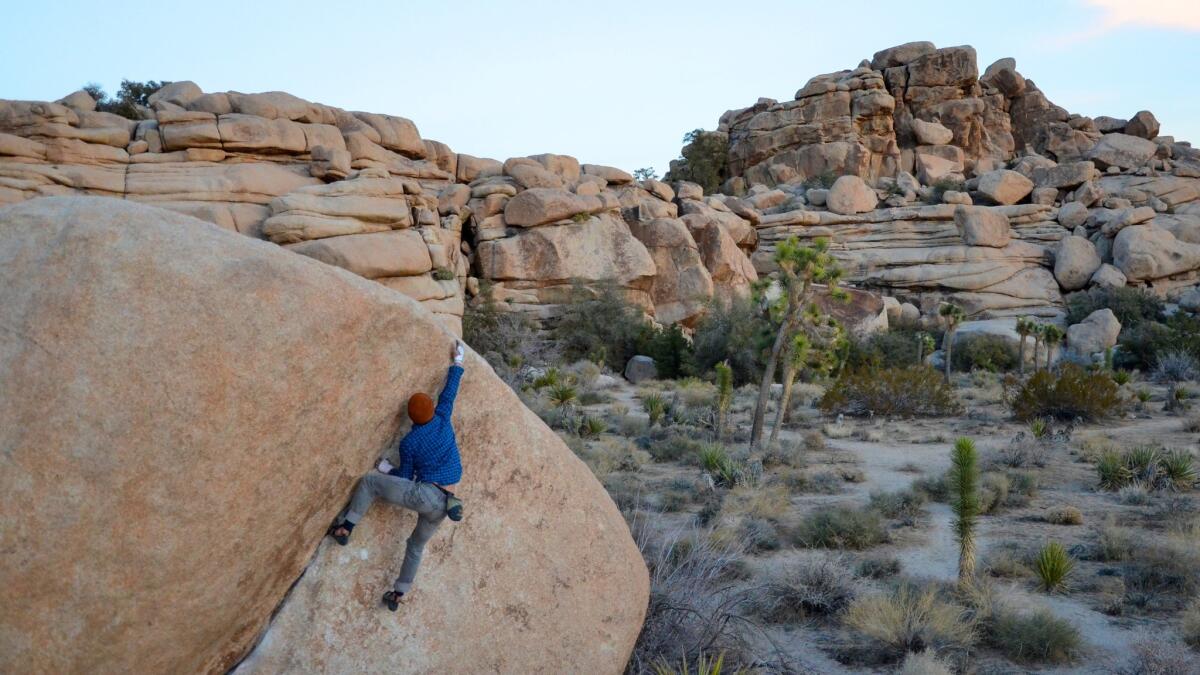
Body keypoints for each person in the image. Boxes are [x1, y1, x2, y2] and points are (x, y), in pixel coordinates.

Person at [328, 340, 465, 611]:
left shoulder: (410, 442)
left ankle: (346, 527)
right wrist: (458, 361)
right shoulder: (443, 417)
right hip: (447, 503)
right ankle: (399, 593)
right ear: (432, 410)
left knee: (369, 482)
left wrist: (386, 470)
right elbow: (449, 393)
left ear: (411, 417)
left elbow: (405, 476)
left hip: (424, 494)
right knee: (415, 547)